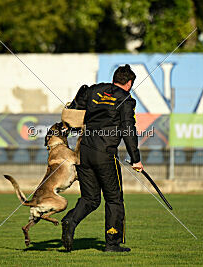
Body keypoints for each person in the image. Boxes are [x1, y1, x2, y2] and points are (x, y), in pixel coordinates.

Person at [61, 64, 143, 253]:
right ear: (129, 83)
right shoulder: (125, 99)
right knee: (114, 199)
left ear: (115, 78)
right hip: (105, 154)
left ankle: (70, 220)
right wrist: (136, 159)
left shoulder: (93, 90)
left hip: (84, 152)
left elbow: (76, 107)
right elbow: (128, 130)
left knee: (90, 199)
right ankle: (112, 243)